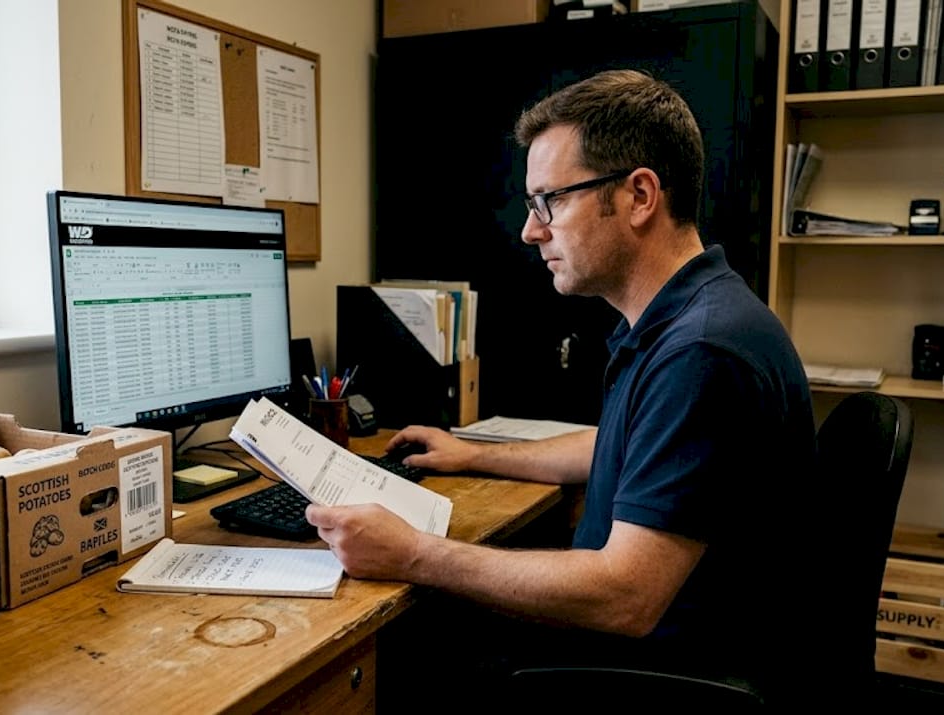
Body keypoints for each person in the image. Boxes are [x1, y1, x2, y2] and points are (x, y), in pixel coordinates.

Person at [306, 69, 817, 705]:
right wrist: (474, 454)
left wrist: (413, 553)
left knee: (405, 651)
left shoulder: (702, 353)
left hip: (655, 670)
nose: (531, 230)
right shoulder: (693, 316)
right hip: (671, 642)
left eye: (551, 200)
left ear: (638, 196)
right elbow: (625, 444)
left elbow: (625, 595)